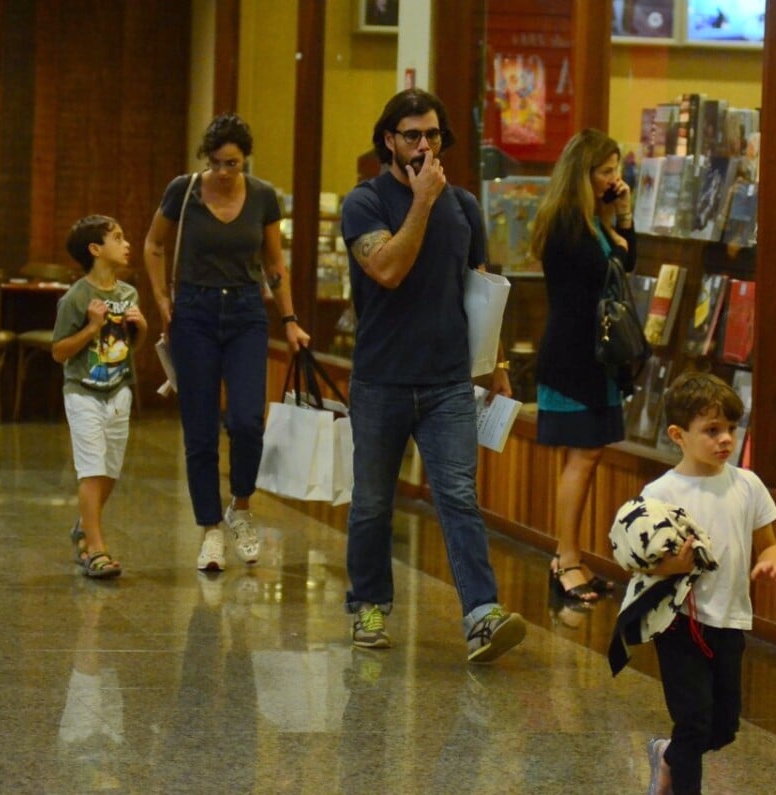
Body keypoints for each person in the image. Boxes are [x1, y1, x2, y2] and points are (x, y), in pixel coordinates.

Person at [339, 88, 525, 663]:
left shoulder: (464, 206)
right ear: (389, 140)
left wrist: (496, 366)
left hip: (448, 381)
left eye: (434, 135)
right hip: (381, 379)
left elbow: (481, 291)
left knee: (459, 497)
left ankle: (481, 615)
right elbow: (388, 269)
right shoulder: (364, 203)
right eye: (412, 135)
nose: (424, 145)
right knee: (372, 501)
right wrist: (420, 201)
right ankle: (369, 605)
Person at [144, 113, 309, 573]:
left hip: (245, 312)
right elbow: (154, 244)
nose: (223, 172)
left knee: (246, 419)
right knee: (199, 428)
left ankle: (241, 508)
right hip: (193, 311)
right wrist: (161, 296)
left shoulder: (262, 197)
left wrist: (290, 319)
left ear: (245, 161)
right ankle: (210, 529)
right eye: (216, 163)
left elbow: (275, 264)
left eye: (232, 164)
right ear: (206, 159)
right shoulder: (183, 190)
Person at [637, 372, 776, 795]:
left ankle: (667, 754)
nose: (725, 440)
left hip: (731, 620)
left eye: (731, 429)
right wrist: (671, 566)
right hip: (679, 623)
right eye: (712, 430)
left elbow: (770, 545)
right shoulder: (660, 493)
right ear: (678, 435)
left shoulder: (747, 484)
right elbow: (641, 563)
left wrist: (770, 564)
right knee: (695, 720)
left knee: (722, 727)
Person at [530, 128, 635, 603]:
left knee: (588, 457)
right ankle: (565, 559)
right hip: (573, 355)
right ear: (583, 173)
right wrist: (612, 222)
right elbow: (602, 270)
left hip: (596, 354)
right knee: (583, 455)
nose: (614, 179)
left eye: (616, 170)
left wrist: (620, 215)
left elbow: (627, 265)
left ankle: (568, 556)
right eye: (606, 171)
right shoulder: (568, 223)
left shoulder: (592, 219)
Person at [54, 215, 148, 579]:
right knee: (92, 470)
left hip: (118, 390)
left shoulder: (128, 294)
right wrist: (92, 327)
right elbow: (59, 352)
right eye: (118, 238)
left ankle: (84, 525)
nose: (127, 244)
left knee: (110, 470)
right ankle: (95, 547)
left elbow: (129, 348)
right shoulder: (76, 297)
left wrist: (141, 328)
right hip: (83, 393)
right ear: (95, 250)